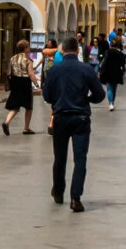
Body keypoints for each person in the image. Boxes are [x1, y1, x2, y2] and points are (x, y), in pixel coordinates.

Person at [41, 35, 105, 212]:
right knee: (80, 159)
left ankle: (58, 191)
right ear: (78, 50)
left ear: (62, 50)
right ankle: (75, 198)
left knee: (59, 157)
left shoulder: (54, 69)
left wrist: (58, 99)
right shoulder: (86, 69)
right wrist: (87, 99)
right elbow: (100, 94)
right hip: (80, 118)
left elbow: (46, 96)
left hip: (61, 117)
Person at [2, 40, 37, 136]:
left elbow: (9, 72)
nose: (29, 48)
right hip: (25, 83)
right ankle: (26, 128)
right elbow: (31, 74)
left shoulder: (13, 58)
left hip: (15, 82)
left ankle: (7, 122)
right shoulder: (28, 60)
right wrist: (37, 85)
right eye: (28, 47)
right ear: (26, 48)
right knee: (28, 107)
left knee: (15, 106)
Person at [97, 36, 126, 111]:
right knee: (114, 88)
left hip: (107, 71)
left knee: (109, 88)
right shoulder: (120, 54)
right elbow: (123, 63)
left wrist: (100, 70)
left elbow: (103, 62)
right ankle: (112, 102)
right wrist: (123, 71)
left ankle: (110, 103)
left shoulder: (107, 52)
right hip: (116, 72)